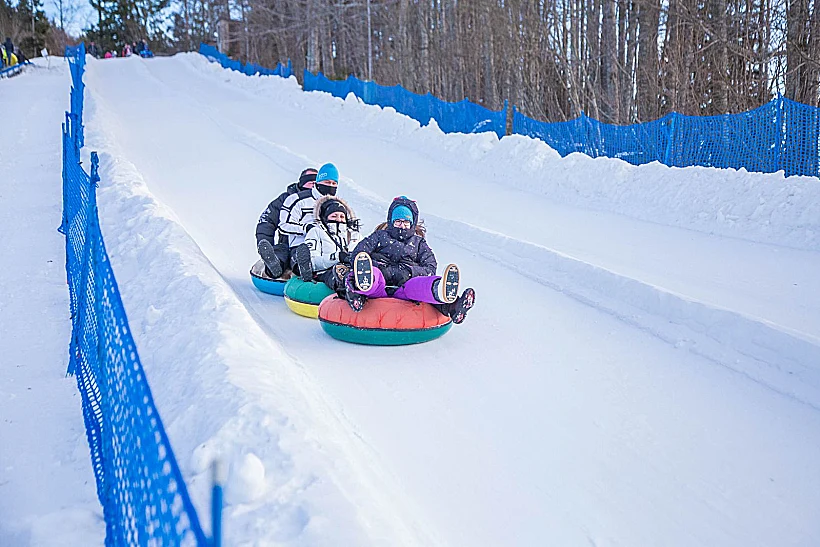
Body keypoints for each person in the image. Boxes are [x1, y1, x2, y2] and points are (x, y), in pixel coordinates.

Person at [344, 196, 476, 324]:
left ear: (412, 224)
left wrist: (409, 272)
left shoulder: (418, 243)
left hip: (405, 286)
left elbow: (430, 267)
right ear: (391, 222)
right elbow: (359, 254)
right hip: (380, 283)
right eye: (398, 222)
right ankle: (362, 285)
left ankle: (441, 292)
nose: (402, 226)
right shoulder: (379, 236)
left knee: (418, 285)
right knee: (373, 274)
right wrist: (380, 268)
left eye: (406, 222)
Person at [275, 163, 340, 279]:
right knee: (302, 255)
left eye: (334, 183)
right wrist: (305, 228)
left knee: (334, 260)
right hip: (301, 244)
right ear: (317, 183)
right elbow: (283, 225)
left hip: (328, 247)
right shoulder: (298, 200)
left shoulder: (338, 205)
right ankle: (303, 269)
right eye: (327, 182)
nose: (331, 186)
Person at [256, 167, 318, 278]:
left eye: (316, 183)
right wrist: (267, 245)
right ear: (302, 182)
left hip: (310, 245)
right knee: (280, 254)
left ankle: (304, 269)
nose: (313, 186)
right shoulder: (285, 199)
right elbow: (266, 222)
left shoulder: (322, 201)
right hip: (285, 243)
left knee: (300, 256)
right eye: (310, 182)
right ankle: (273, 264)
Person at [298, 196, 360, 289]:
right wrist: (337, 257)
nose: (339, 219)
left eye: (342, 216)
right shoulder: (316, 232)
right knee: (336, 276)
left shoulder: (354, 235)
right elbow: (312, 262)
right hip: (326, 271)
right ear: (325, 217)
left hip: (352, 269)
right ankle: (345, 290)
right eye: (334, 216)